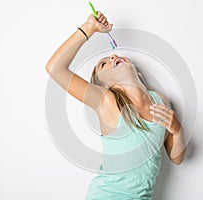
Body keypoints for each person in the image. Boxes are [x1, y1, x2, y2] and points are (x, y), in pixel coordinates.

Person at [45, 11, 186, 200]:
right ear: (103, 85)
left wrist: (177, 130)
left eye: (113, 57)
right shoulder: (106, 101)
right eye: (104, 64)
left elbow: (177, 158)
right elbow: (55, 68)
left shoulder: (159, 100)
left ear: (140, 75)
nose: (112, 58)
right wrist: (89, 28)